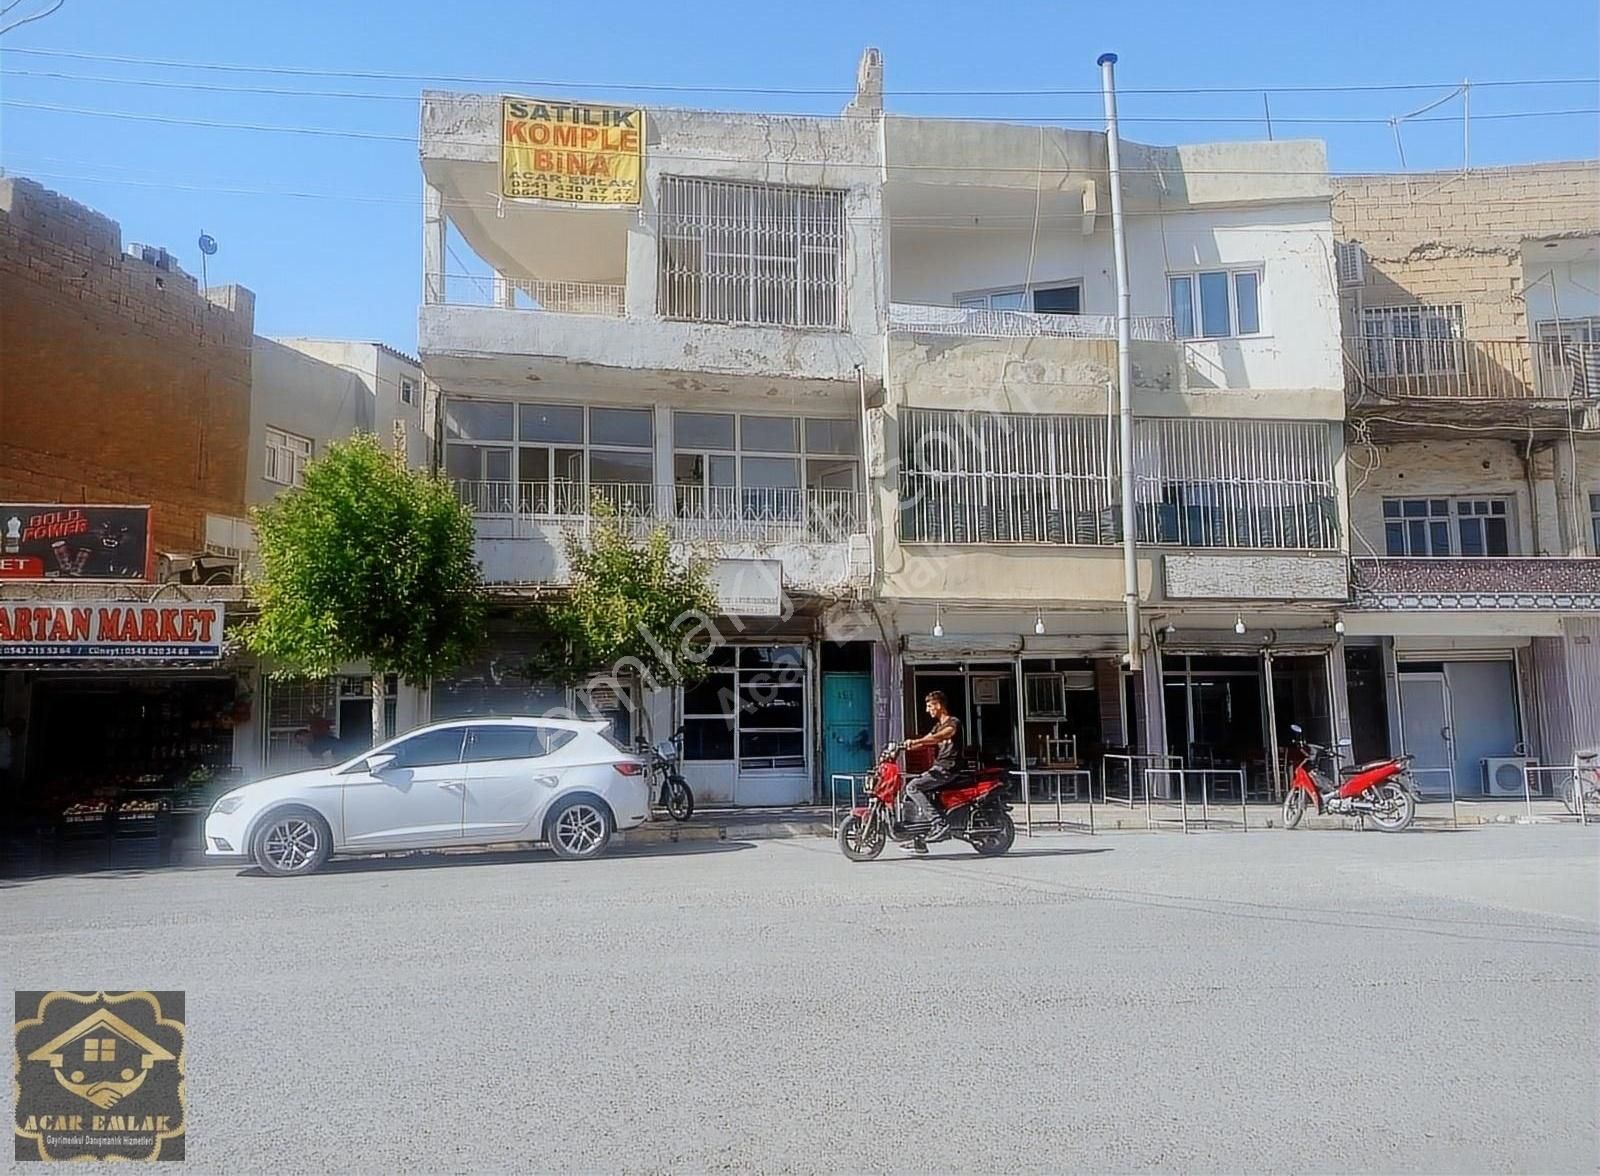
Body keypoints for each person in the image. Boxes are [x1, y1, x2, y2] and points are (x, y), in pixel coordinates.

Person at [901, 691, 961, 847]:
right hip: (939, 767)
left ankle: (939, 824)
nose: (927, 710)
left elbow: (937, 738)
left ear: (938, 705)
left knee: (912, 787)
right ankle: (919, 836)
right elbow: (926, 741)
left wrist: (917, 741)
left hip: (948, 768)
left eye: (929, 706)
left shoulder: (953, 723)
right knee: (911, 790)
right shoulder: (937, 726)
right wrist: (904, 746)